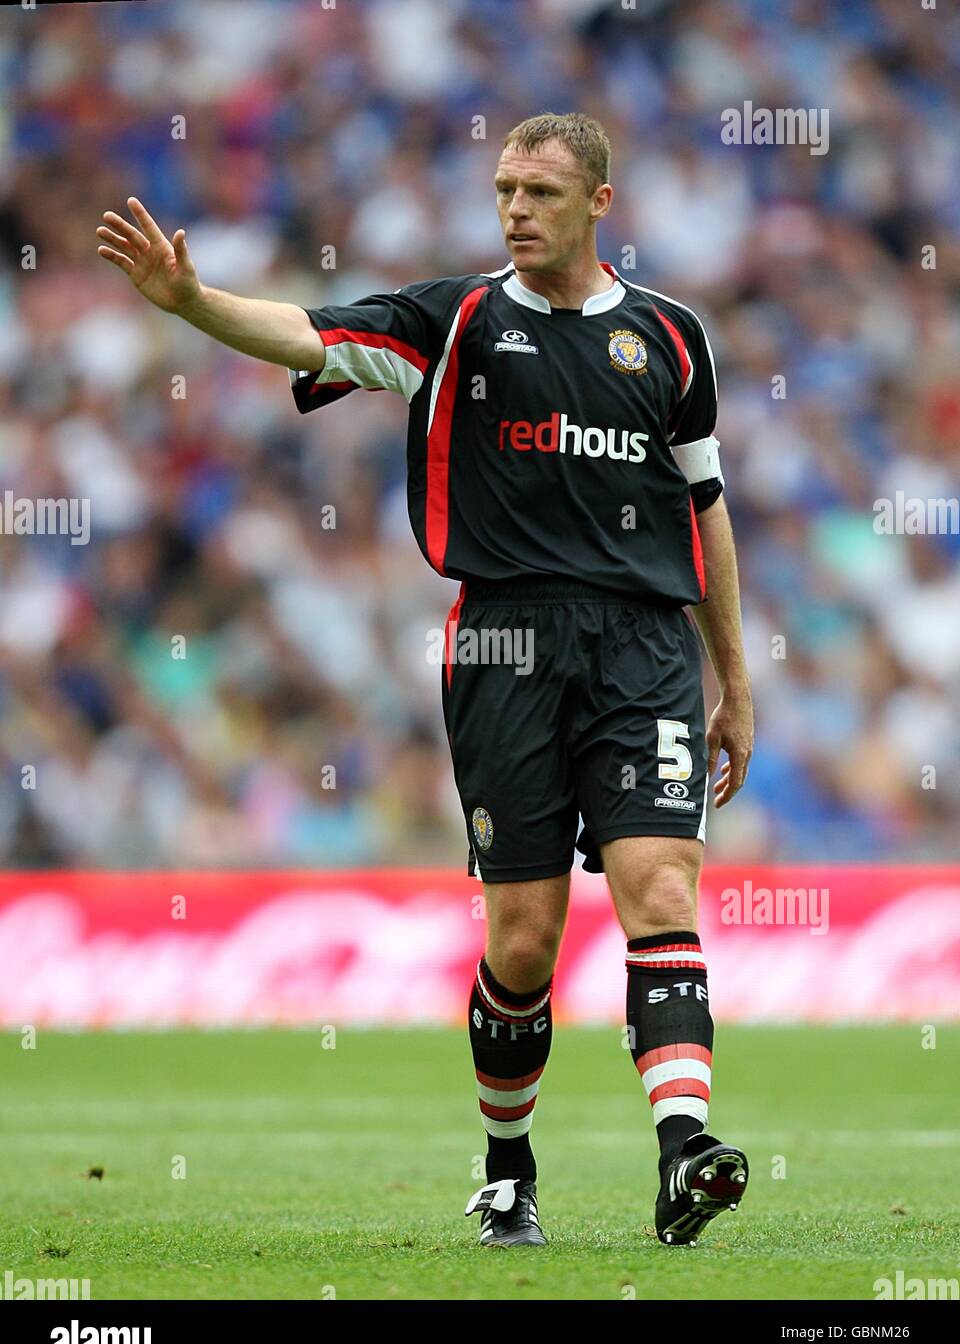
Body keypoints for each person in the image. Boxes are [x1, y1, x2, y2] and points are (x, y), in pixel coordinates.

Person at [96, 111, 754, 1249]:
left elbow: (707, 512)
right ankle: (508, 1164)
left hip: (646, 648)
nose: (515, 209)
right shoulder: (448, 323)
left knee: (659, 885)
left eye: (541, 192)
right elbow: (305, 335)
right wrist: (195, 304)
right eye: (504, 188)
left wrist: (734, 677)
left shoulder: (672, 339)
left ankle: (685, 1150)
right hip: (503, 646)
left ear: (601, 203)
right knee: (523, 942)